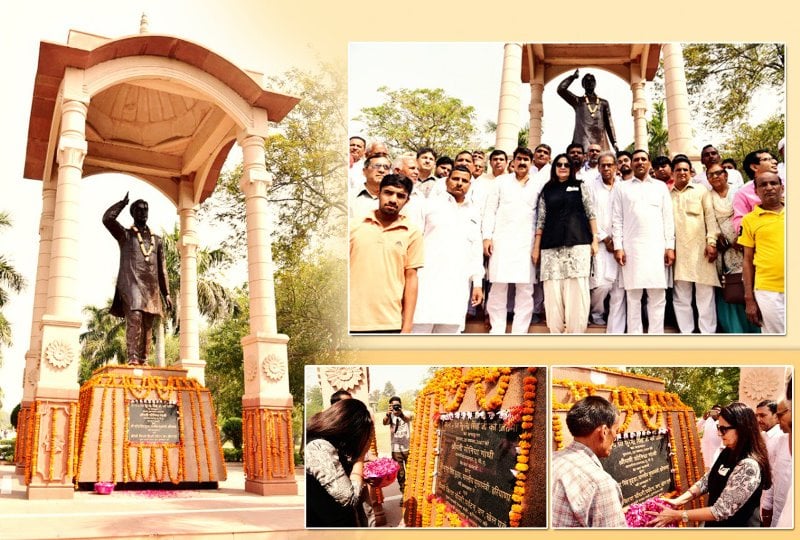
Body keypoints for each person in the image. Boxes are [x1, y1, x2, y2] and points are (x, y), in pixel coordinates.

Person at [647, 402, 771, 527]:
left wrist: (678, 515)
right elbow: (707, 480)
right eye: (719, 428)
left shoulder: (749, 466)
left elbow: (721, 510)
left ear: (742, 428)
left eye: (724, 429)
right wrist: (677, 501)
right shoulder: (728, 451)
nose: (719, 433)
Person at [532, 153, 598, 333]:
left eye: (566, 165)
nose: (562, 167)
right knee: (553, 292)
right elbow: (541, 219)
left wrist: (595, 239)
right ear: (554, 168)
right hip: (550, 246)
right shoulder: (547, 189)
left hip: (578, 244)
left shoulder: (580, 186)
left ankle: (575, 337)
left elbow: (590, 212)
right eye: (559, 164)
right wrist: (536, 247)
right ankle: (556, 336)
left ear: (571, 169)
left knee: (576, 292)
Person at [412, 166, 484, 333]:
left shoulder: (474, 211)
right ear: (446, 180)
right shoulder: (428, 205)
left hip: (457, 283)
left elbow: (476, 247)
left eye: (464, 181)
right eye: (455, 179)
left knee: (448, 339)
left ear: (470, 185)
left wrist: (477, 283)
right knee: (419, 333)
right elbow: (414, 242)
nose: (459, 183)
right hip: (426, 281)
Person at [349, 175, 424, 333]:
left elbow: (411, 278)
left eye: (400, 196)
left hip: (390, 322)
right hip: (352, 321)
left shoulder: (412, 232)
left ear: (407, 201)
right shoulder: (353, 226)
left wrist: (407, 326)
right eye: (388, 193)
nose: (393, 199)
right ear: (378, 193)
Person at [611, 150, 675, 333]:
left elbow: (668, 219)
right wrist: (618, 247)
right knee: (633, 297)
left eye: (643, 159)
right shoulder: (621, 187)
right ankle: (635, 339)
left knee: (657, 296)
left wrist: (670, 247)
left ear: (649, 164)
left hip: (657, 249)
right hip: (632, 249)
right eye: (636, 160)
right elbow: (617, 219)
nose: (639, 162)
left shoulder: (660, 187)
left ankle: (656, 338)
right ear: (631, 164)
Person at [103, 194, 172, 366]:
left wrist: (167, 293)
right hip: (131, 283)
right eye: (139, 210)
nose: (143, 213)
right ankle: (132, 356)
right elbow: (107, 219)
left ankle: (143, 358)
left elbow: (162, 269)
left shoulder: (157, 240)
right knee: (135, 317)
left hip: (151, 287)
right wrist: (122, 203)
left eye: (145, 209)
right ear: (133, 213)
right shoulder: (125, 235)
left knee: (148, 324)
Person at [482, 147, 540, 333]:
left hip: (527, 243)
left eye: (526, 160)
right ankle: (497, 331)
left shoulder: (538, 184)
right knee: (498, 287)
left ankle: (519, 333)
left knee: (525, 289)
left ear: (531, 163)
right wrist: (487, 237)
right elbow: (490, 210)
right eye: (519, 159)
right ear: (512, 162)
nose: (522, 163)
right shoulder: (500, 182)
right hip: (502, 242)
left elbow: (542, 215)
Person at [551, 396, 626, 528]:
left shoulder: (552, 459)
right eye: (616, 430)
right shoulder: (601, 484)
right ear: (604, 432)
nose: (616, 436)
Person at [706, 162, 761, 333]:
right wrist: (714, 240)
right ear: (707, 179)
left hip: (742, 244)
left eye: (719, 173)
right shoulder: (707, 197)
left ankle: (754, 328)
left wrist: (743, 237)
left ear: (726, 175)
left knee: (747, 282)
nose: (715, 177)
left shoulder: (738, 193)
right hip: (723, 249)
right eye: (711, 175)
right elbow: (709, 220)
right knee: (729, 287)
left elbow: (749, 214)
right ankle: (734, 330)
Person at [306, 398, 376, 527]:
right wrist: (360, 457)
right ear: (351, 430)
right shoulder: (319, 447)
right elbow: (349, 498)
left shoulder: (331, 442)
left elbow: (340, 475)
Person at [670, 155, 720, 333]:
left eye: (685, 169)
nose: (682, 173)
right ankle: (687, 333)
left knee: (705, 296)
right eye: (678, 170)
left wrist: (712, 242)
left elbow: (710, 217)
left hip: (701, 252)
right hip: (679, 254)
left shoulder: (701, 191)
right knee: (681, 297)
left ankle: (707, 334)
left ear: (691, 172)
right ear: (673, 173)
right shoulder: (668, 195)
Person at [739, 172, 785, 333]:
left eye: (773, 183)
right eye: (763, 185)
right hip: (768, 290)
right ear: (756, 191)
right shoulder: (749, 220)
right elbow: (747, 259)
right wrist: (749, 298)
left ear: (782, 187)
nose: (769, 188)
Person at [589, 152, 626, 332]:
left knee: (619, 288)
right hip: (601, 242)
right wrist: (604, 237)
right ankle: (596, 314)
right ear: (598, 167)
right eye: (602, 165)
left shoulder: (624, 186)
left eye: (610, 165)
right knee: (601, 284)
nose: (606, 168)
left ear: (616, 167)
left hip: (621, 244)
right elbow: (589, 215)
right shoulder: (591, 187)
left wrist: (619, 241)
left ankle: (615, 329)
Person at [557, 69, 619, 153]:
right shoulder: (578, 101)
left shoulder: (603, 102)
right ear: (583, 85)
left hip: (600, 142)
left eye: (592, 81)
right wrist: (573, 77)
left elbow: (609, 123)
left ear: (595, 83)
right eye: (587, 81)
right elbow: (561, 89)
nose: (590, 83)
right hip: (582, 142)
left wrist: (614, 142)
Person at [733, 149, 780, 233]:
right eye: (766, 159)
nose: (774, 161)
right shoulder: (742, 193)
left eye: (772, 159)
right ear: (754, 167)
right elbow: (739, 224)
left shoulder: (787, 182)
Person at [382, 396, 412, 498]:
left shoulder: (406, 413)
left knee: (411, 472)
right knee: (400, 474)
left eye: (397, 405)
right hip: (396, 450)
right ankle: (404, 495)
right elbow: (384, 422)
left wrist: (400, 413)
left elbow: (407, 419)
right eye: (393, 405)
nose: (396, 407)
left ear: (401, 405)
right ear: (390, 406)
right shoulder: (389, 415)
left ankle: (412, 494)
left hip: (408, 448)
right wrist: (388, 414)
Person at [701, 404, 723, 471]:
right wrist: (703, 419)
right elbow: (697, 429)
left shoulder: (722, 421)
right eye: (714, 410)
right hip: (705, 451)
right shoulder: (707, 420)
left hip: (717, 451)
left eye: (718, 411)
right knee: (705, 470)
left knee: (716, 470)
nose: (716, 412)